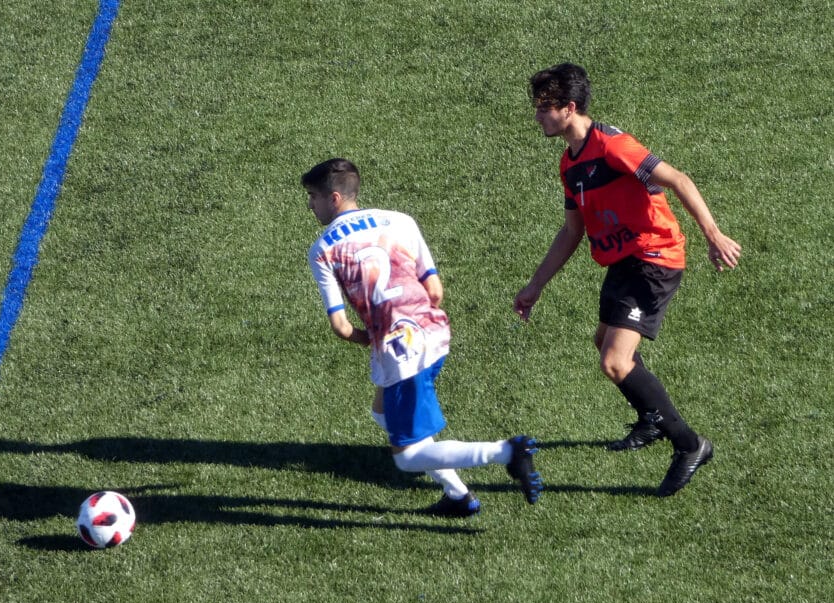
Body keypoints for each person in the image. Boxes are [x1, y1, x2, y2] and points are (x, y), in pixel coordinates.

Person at [513, 63, 741, 496]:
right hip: (624, 261)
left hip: (654, 257)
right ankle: (650, 419)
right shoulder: (570, 164)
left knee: (615, 362)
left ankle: (689, 445)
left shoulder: (613, 146)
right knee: (604, 343)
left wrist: (714, 236)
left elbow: (677, 179)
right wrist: (535, 285)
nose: (537, 116)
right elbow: (572, 232)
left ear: (569, 108)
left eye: (544, 108)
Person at [304, 158, 542, 517]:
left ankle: (508, 452)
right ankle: (458, 495)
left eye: (313, 197)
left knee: (408, 457)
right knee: (382, 412)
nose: (310, 205)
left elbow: (341, 326)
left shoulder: (323, 249)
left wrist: (370, 338)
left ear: (334, 198)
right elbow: (434, 290)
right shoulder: (400, 220)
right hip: (434, 332)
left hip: (400, 349)